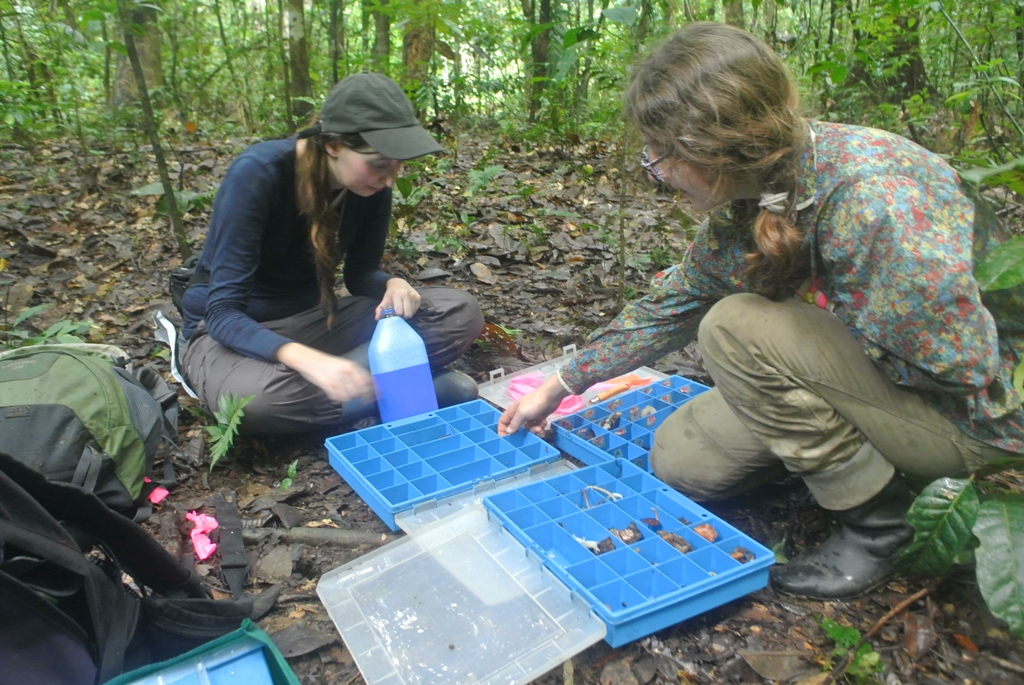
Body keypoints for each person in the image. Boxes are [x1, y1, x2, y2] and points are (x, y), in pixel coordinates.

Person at [498, 23, 1024, 599]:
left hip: (976, 415)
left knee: (736, 324)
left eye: (660, 155)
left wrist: (817, 330)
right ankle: (836, 449)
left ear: (713, 148)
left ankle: (878, 525)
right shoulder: (764, 184)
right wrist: (562, 381)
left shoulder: (873, 200)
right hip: (890, 384)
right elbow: (678, 297)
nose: (654, 172)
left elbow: (962, 364)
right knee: (684, 463)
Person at [181, 73, 484, 435]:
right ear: (333, 145)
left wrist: (392, 283)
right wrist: (309, 361)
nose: (389, 179)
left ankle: (352, 389)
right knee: (257, 403)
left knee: (460, 312)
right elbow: (222, 314)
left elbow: (360, 275)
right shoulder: (258, 173)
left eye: (398, 166)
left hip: (312, 319)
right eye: (379, 164)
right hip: (232, 334)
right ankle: (396, 384)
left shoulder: (371, 188)